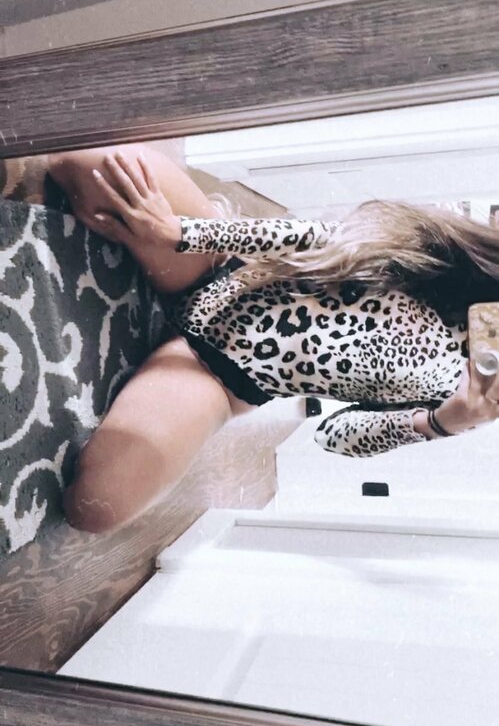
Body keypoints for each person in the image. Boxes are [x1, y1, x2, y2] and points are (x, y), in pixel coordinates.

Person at [46, 145, 499, 535]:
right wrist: (180, 234)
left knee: (97, 508)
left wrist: (439, 423)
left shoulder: (476, 397)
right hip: (217, 270)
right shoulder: (458, 257)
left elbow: (332, 436)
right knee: (89, 163)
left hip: (219, 377)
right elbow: (309, 238)